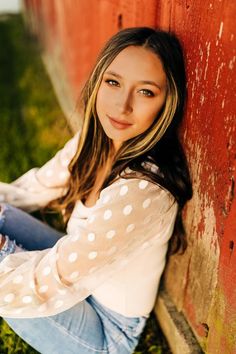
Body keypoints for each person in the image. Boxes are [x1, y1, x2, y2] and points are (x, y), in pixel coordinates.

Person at [0, 27, 192, 354]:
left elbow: (48, 284)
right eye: (113, 82)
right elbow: (29, 189)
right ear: (98, 81)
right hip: (83, 277)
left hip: (107, 334)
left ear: (167, 104)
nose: (122, 105)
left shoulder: (142, 192)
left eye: (146, 92)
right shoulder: (95, 144)